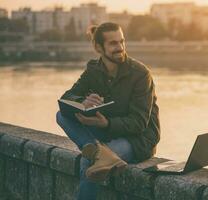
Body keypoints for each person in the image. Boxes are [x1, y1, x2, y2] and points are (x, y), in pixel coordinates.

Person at [56, 22, 160, 200]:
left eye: (122, 41)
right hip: (105, 134)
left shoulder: (141, 74)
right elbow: (66, 99)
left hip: (137, 139)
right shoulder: (93, 70)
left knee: (87, 161)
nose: (120, 47)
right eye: (113, 43)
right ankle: (100, 153)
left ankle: (97, 154)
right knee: (61, 115)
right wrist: (83, 101)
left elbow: (139, 123)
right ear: (98, 47)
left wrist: (107, 123)